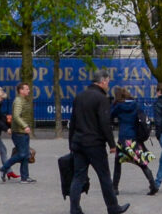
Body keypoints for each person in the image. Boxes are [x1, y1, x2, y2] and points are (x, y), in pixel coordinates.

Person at [66, 72, 128, 214]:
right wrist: (112, 144)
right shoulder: (101, 98)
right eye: (108, 82)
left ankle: (74, 209)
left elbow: (73, 121)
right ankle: (113, 207)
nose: (108, 85)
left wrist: (71, 143)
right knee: (104, 176)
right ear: (103, 82)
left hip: (78, 142)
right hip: (94, 144)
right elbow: (104, 123)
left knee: (78, 176)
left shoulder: (79, 96)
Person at [109, 87, 155, 195]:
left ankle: (114, 188)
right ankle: (153, 184)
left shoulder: (118, 106)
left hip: (123, 137)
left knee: (118, 163)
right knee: (140, 161)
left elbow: (110, 115)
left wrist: (113, 104)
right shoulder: (135, 105)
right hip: (134, 138)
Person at [0, 80, 36, 184]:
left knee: (25, 154)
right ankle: (3, 168)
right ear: (21, 90)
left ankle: (24, 177)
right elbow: (16, 116)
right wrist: (25, 126)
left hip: (23, 132)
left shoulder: (23, 100)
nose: (29, 90)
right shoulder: (19, 101)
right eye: (27, 89)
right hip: (19, 132)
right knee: (22, 154)